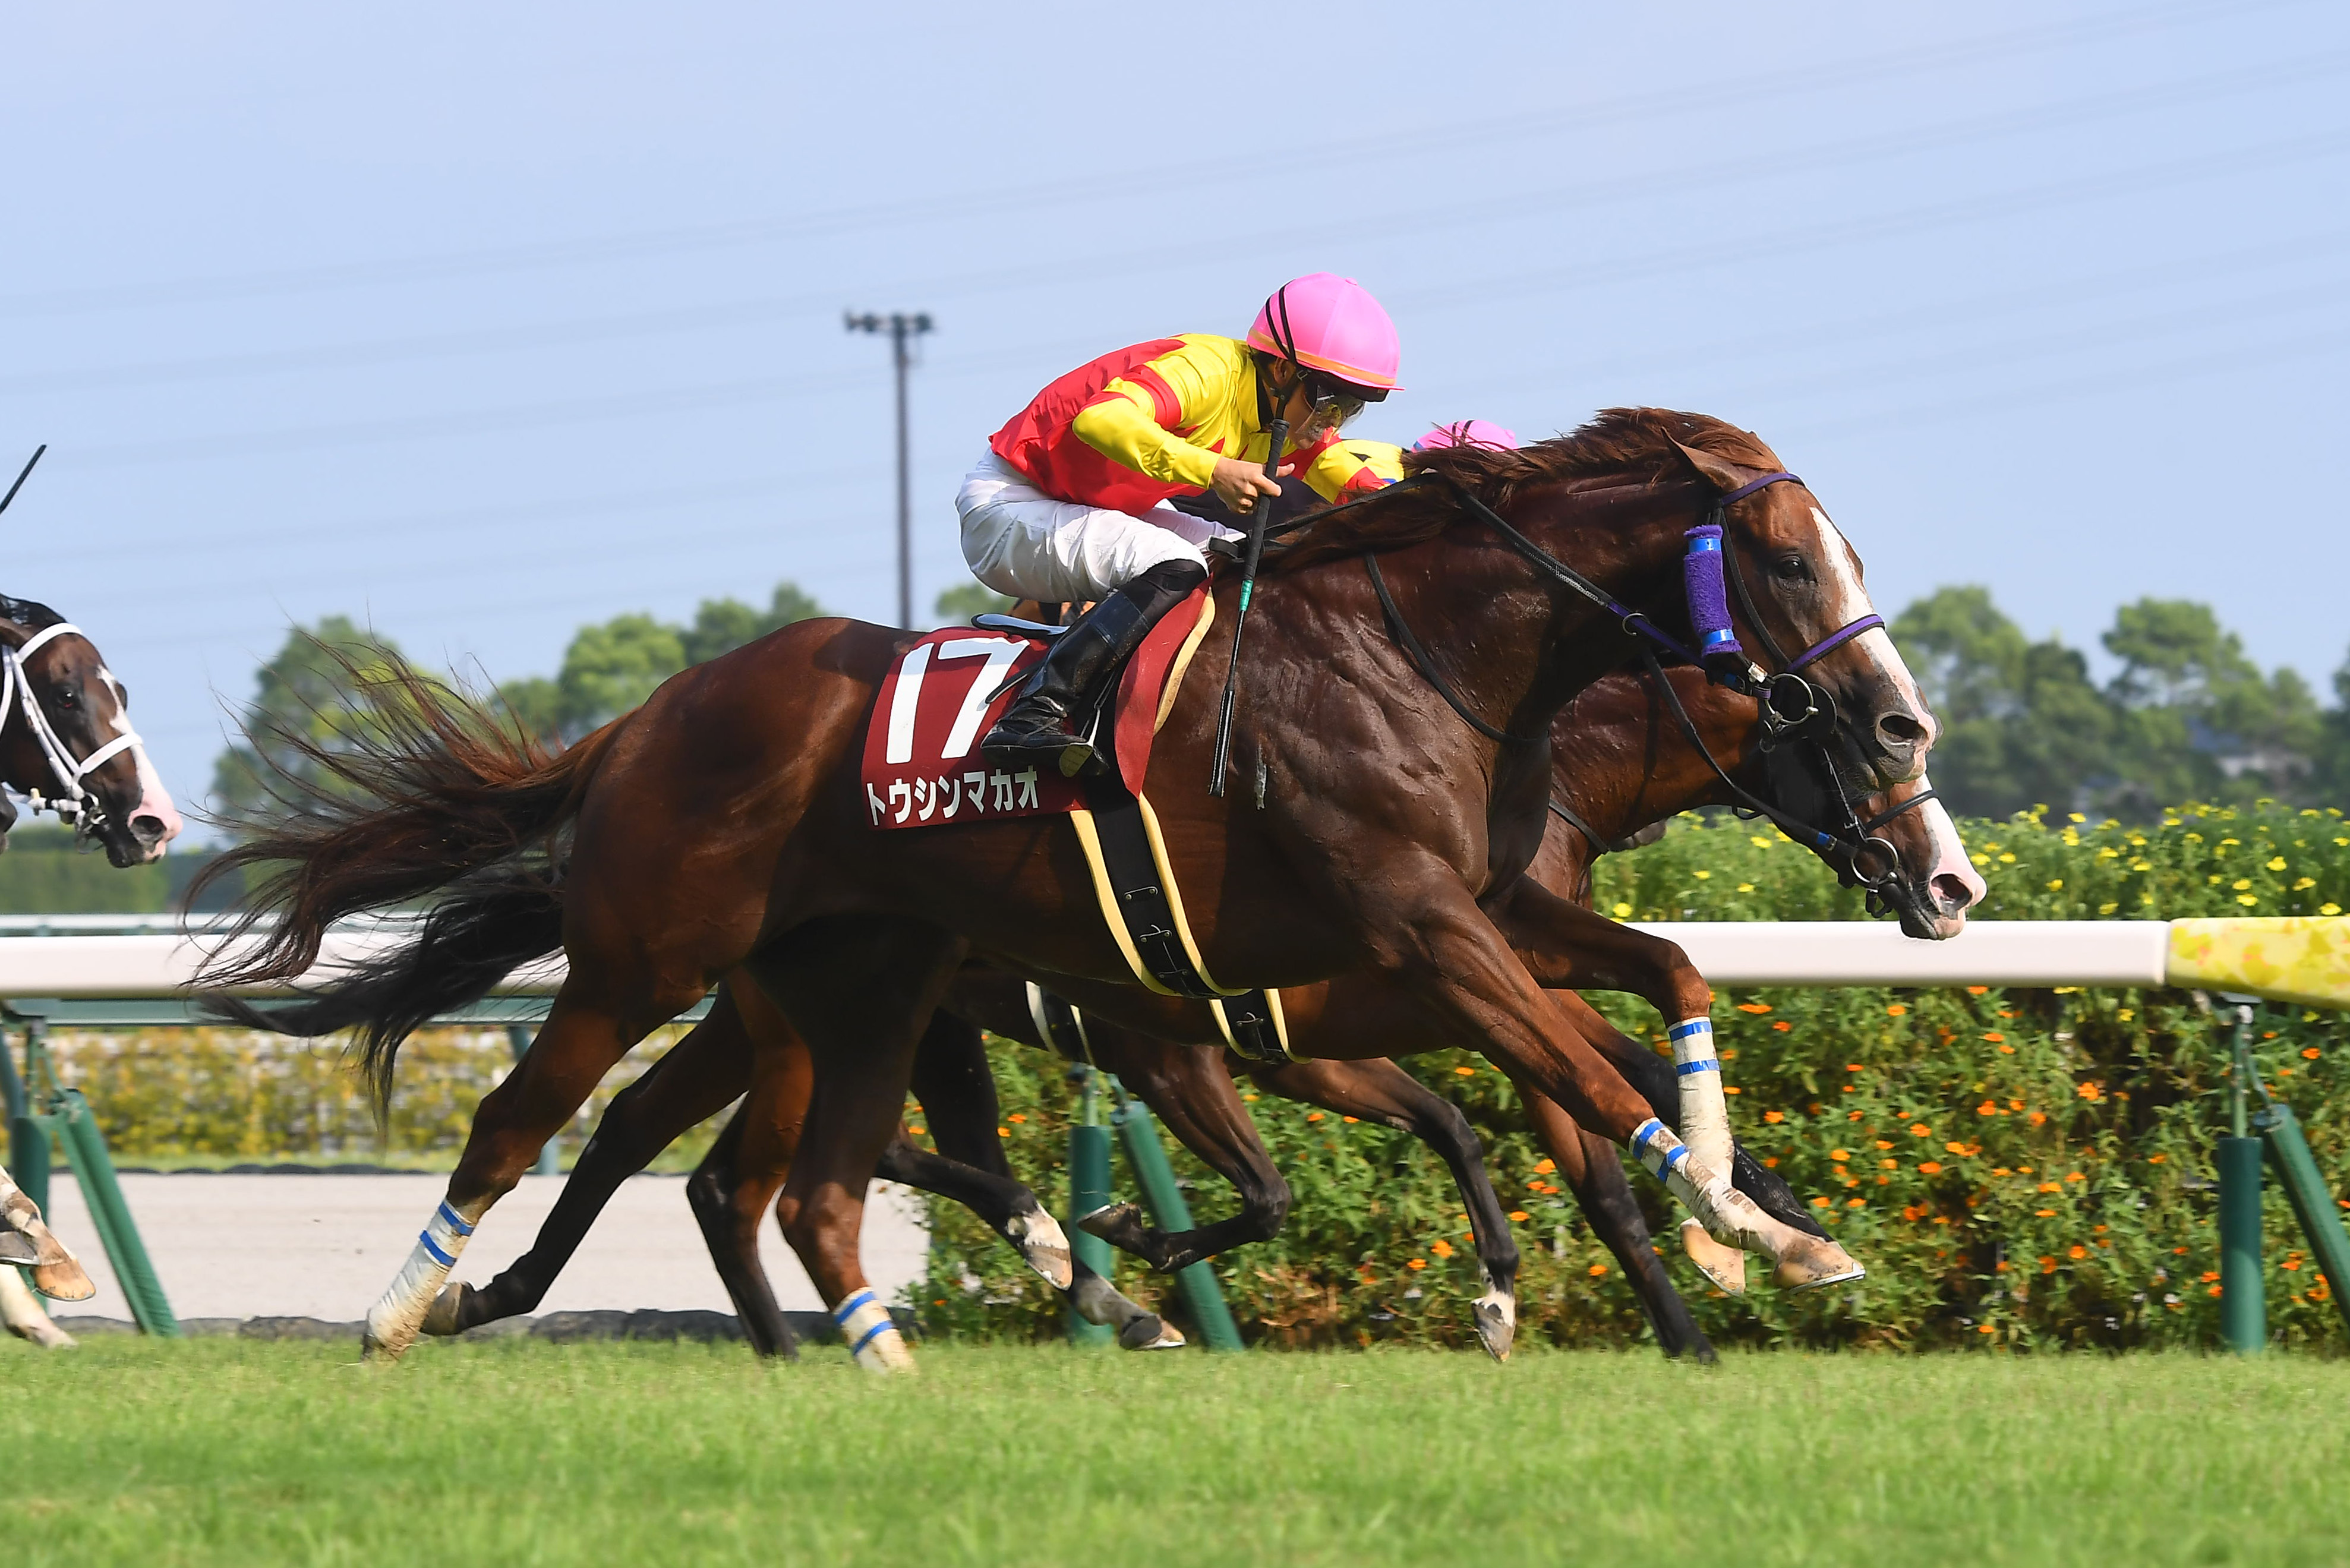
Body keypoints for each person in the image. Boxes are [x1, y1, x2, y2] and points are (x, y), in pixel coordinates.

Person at [965, 274, 1402, 779]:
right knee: (1179, 564)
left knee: (1259, 565)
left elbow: (1336, 467)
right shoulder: (1206, 371)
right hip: (1011, 502)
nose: (1331, 420)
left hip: (1094, 508)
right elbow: (1099, 421)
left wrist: (1419, 504)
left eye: (1350, 408)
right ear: (1281, 370)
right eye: (1328, 401)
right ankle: (1034, 712)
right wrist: (1213, 470)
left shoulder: (1286, 412)